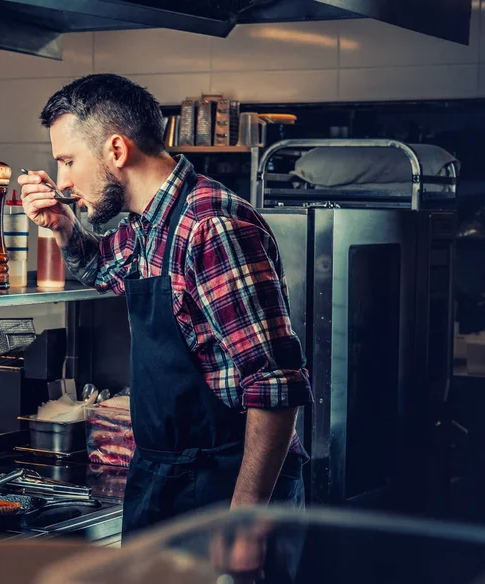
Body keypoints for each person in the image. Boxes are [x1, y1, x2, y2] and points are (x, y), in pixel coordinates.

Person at [18, 74, 313, 542]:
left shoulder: (211, 225)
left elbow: (276, 386)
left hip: (224, 488)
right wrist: (64, 226)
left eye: (68, 161)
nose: (65, 182)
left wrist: (244, 527)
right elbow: (102, 270)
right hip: (165, 477)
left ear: (116, 150)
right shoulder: (148, 224)